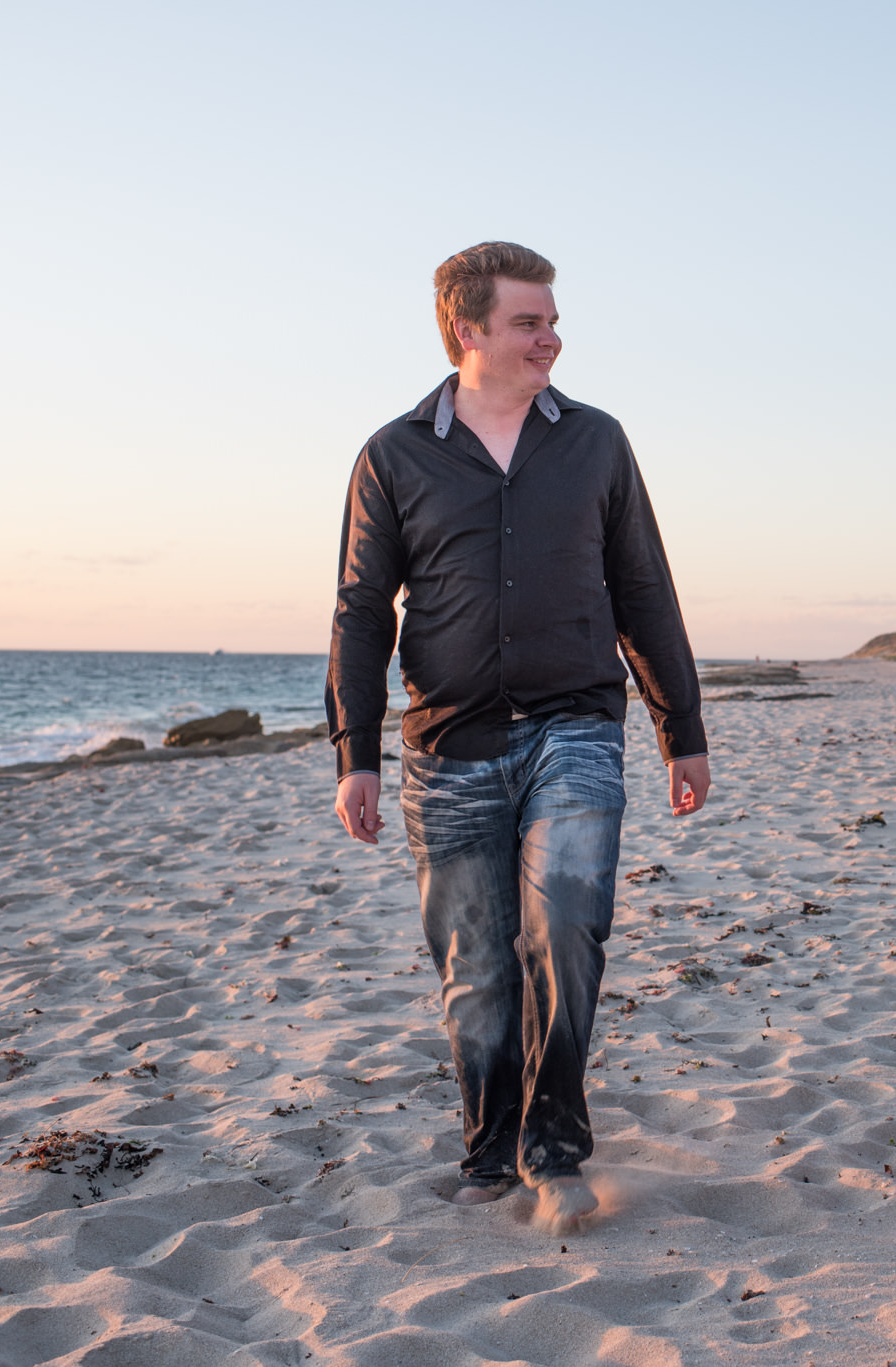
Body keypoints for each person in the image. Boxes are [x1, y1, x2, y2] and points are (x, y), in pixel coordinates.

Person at [327, 241, 710, 1229]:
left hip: (575, 725)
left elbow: (642, 587)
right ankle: (491, 1147)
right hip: (445, 749)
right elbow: (362, 608)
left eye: (550, 319)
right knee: (479, 969)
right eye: (529, 321)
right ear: (470, 330)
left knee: (566, 923)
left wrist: (681, 727)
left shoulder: (595, 440)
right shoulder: (394, 453)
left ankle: (556, 1143)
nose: (552, 337)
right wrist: (354, 751)